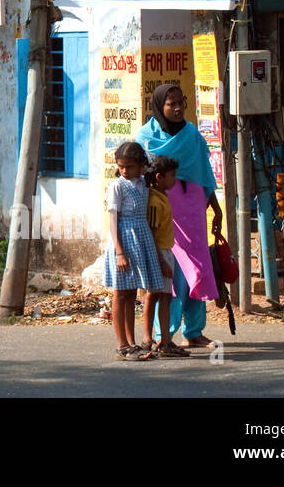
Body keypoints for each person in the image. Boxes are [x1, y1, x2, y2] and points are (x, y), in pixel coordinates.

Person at [135, 83, 223, 347]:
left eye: (180, 103)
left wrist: (216, 209)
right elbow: (140, 177)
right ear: (159, 106)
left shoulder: (192, 135)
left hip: (194, 210)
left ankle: (194, 331)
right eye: (170, 103)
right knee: (171, 275)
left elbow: (205, 173)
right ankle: (164, 335)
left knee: (198, 270)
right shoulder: (146, 137)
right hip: (164, 211)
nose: (176, 108)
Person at [102, 140, 167, 361]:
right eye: (121, 166)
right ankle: (122, 345)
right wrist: (119, 252)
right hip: (123, 239)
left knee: (131, 293)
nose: (124, 171)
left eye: (129, 166)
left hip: (141, 237)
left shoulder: (142, 184)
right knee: (121, 293)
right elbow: (112, 219)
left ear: (140, 166)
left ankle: (132, 343)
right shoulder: (117, 186)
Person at [144, 155, 189, 357]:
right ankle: (149, 338)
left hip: (165, 251)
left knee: (164, 296)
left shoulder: (161, 197)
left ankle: (165, 339)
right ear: (160, 177)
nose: (175, 179)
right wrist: (160, 260)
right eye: (172, 175)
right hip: (159, 252)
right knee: (154, 296)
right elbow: (152, 232)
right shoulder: (154, 201)